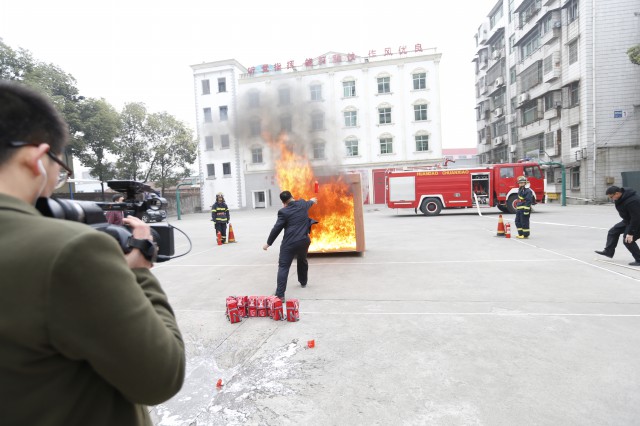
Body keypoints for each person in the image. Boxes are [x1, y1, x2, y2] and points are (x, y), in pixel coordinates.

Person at [0, 81, 185, 426]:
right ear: (37, 159)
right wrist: (140, 270)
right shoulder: (72, 252)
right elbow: (162, 377)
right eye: (59, 166)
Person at [263, 191, 318, 300]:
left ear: (283, 202)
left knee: (283, 267)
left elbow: (276, 229)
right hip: (304, 240)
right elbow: (310, 202)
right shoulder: (303, 204)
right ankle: (303, 282)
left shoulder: (283, 212)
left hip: (290, 243)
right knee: (302, 260)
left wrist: (268, 243)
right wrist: (313, 200)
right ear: (292, 196)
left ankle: (280, 295)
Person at [595, 186, 640, 266]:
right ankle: (609, 251)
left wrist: (630, 233)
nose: (612, 199)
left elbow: (636, 218)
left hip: (637, 222)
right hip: (628, 220)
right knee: (613, 231)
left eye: (612, 197)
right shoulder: (621, 197)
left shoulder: (632, 201)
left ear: (617, 193)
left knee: (628, 240)